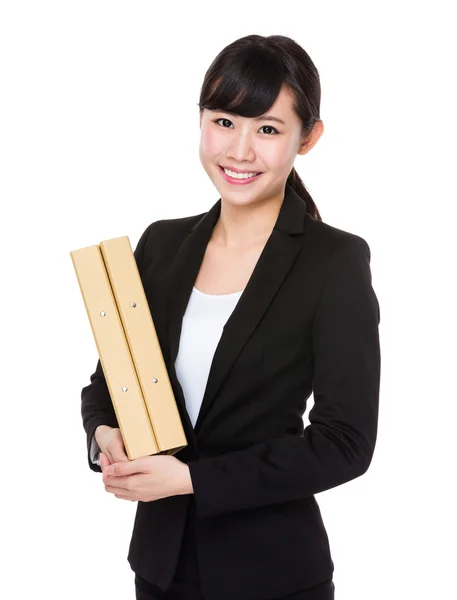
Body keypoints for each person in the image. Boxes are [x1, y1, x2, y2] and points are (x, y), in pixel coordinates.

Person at [81, 34, 381, 600]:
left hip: (273, 574)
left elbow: (345, 441)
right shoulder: (161, 245)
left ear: (308, 138)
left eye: (267, 129)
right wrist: (104, 436)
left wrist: (192, 479)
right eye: (224, 121)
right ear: (200, 121)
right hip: (159, 569)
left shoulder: (333, 261)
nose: (239, 150)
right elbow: (107, 382)